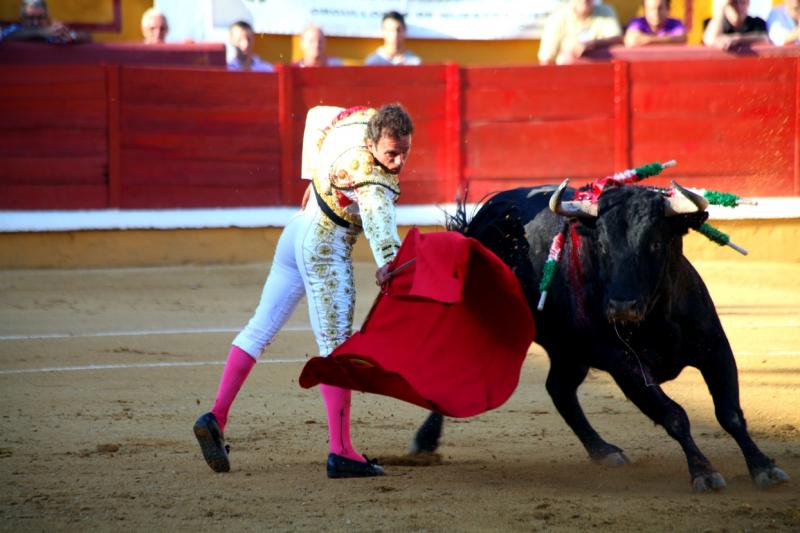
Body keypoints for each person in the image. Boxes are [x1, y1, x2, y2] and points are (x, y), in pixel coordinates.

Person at [193, 103, 414, 478]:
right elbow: (378, 219)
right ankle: (341, 452)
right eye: (391, 154)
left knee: (259, 330)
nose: (397, 163)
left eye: (404, 153)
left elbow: (316, 115)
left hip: (296, 230)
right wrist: (389, 264)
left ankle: (216, 415)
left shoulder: (356, 120)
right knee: (336, 349)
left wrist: (311, 179)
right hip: (325, 249)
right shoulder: (374, 181)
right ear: (373, 142)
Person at [538, 0, 623, 65]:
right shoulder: (557, 18)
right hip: (568, 75)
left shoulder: (605, 11)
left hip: (600, 71)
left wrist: (591, 44)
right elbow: (547, 57)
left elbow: (617, 38)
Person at [1, 0, 90, 44]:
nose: (35, 22)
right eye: (30, 18)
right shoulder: (14, 29)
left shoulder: (52, 33)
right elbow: (5, 36)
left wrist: (71, 36)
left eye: (40, 18)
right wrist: (41, 32)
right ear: (22, 18)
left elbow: (87, 36)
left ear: (47, 18)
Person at [702, 0, 768, 50]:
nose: (739, 7)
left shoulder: (757, 23)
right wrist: (720, 10)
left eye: (743, 2)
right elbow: (709, 40)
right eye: (734, 3)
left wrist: (737, 39)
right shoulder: (714, 24)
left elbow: (764, 38)